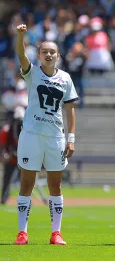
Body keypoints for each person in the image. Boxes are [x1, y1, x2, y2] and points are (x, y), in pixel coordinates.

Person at [14, 24, 78, 246]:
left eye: (52, 52)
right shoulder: (32, 73)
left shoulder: (66, 79)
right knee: (26, 183)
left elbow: (69, 109)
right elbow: (20, 53)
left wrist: (71, 138)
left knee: (55, 185)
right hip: (31, 135)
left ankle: (56, 233)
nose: (49, 54)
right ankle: (22, 232)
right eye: (45, 51)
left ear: (58, 56)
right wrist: (21, 35)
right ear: (39, 55)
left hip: (55, 138)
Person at [0, 107, 24, 204]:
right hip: (11, 159)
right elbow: (2, 145)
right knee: (7, 179)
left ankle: (25, 200)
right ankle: (4, 198)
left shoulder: (26, 131)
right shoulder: (6, 129)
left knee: (25, 180)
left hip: (23, 159)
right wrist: (3, 155)